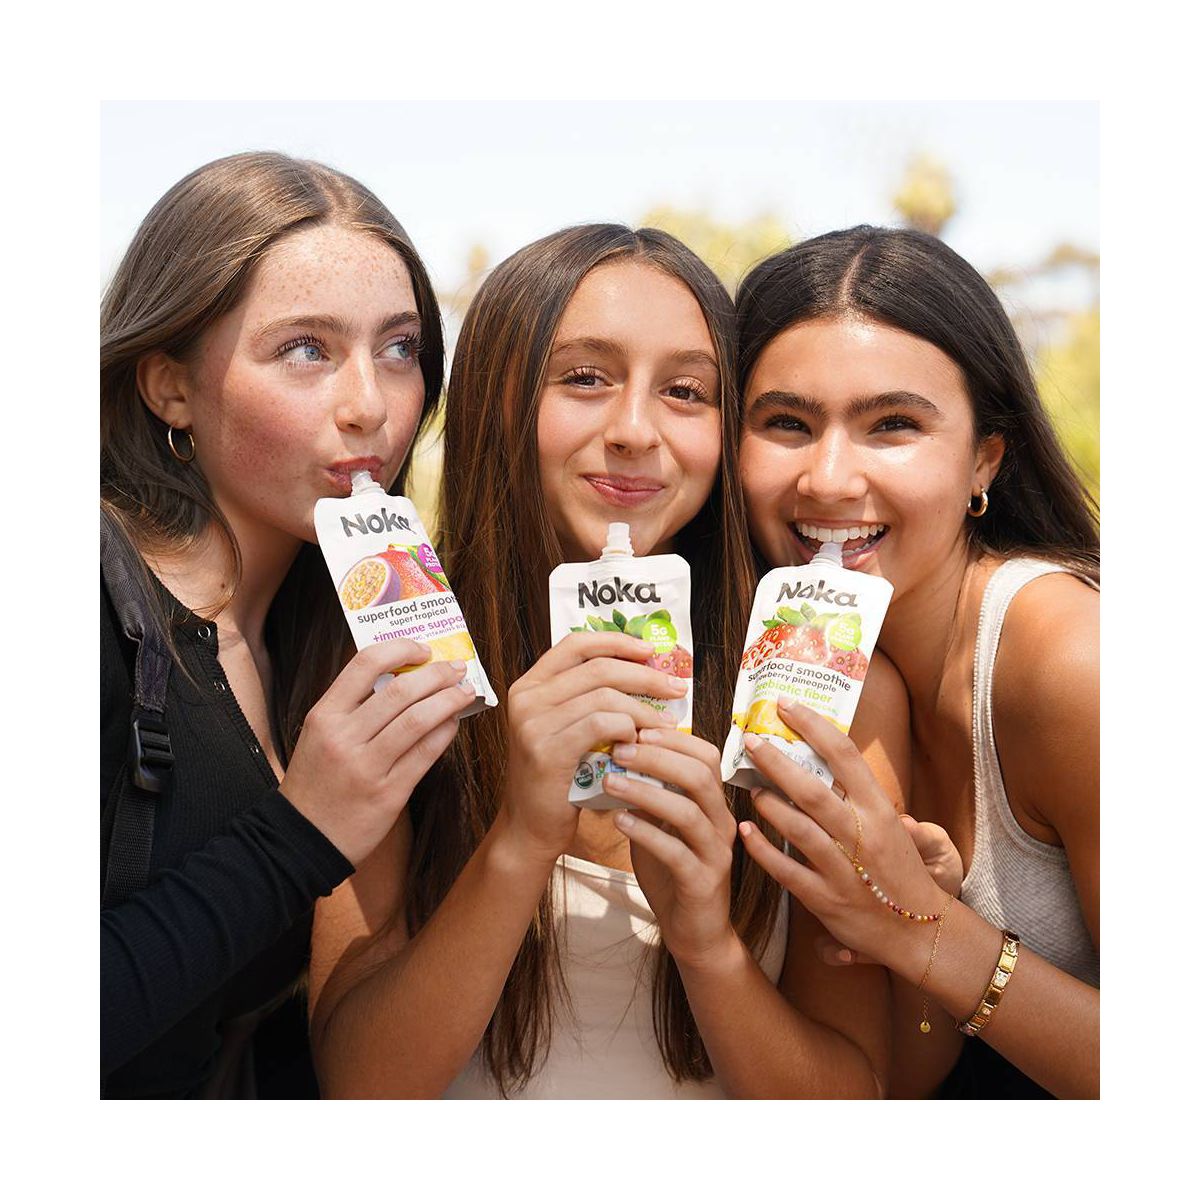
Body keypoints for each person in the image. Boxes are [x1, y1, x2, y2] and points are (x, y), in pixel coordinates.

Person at [308, 224, 910, 1098]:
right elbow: (361, 1089)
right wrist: (520, 842)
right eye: (585, 378)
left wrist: (706, 942)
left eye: (686, 391)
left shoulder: (823, 682)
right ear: (495, 397)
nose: (634, 430)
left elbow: (854, 1106)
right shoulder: (392, 659)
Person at [101, 152, 478, 1098]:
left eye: (399, 349)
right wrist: (299, 834)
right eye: (305, 349)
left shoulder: (331, 638)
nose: (370, 406)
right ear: (169, 385)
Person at [734, 225, 1099, 1099]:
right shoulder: (804, 673)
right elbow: (903, 1077)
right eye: (786, 422)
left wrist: (924, 928)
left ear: (984, 461)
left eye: (892, 425)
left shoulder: (1071, 662)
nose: (827, 479)